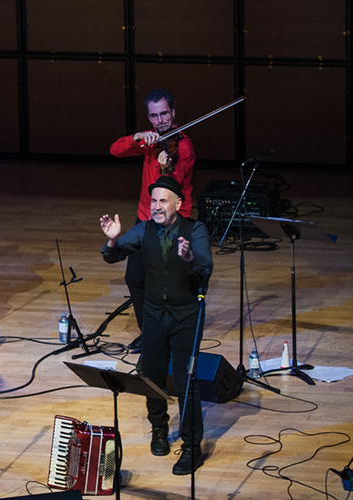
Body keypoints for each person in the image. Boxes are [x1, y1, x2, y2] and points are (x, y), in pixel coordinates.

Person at [99, 176, 213, 475]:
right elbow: (113, 255)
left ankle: (191, 447)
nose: (157, 206)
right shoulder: (145, 230)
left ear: (178, 203)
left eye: (163, 201)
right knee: (151, 375)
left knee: (185, 380)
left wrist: (189, 257)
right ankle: (159, 430)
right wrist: (112, 239)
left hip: (185, 316)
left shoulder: (194, 229)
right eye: (153, 201)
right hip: (153, 315)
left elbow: (205, 266)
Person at [109, 89, 195, 352]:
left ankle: (172, 333)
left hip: (173, 221)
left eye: (165, 114)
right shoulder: (149, 140)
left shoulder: (183, 145)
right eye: (154, 116)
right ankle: (149, 332)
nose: (161, 121)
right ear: (149, 117)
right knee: (135, 277)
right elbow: (115, 150)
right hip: (145, 218)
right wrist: (136, 138)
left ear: (173, 113)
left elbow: (172, 187)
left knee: (165, 282)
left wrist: (165, 166)